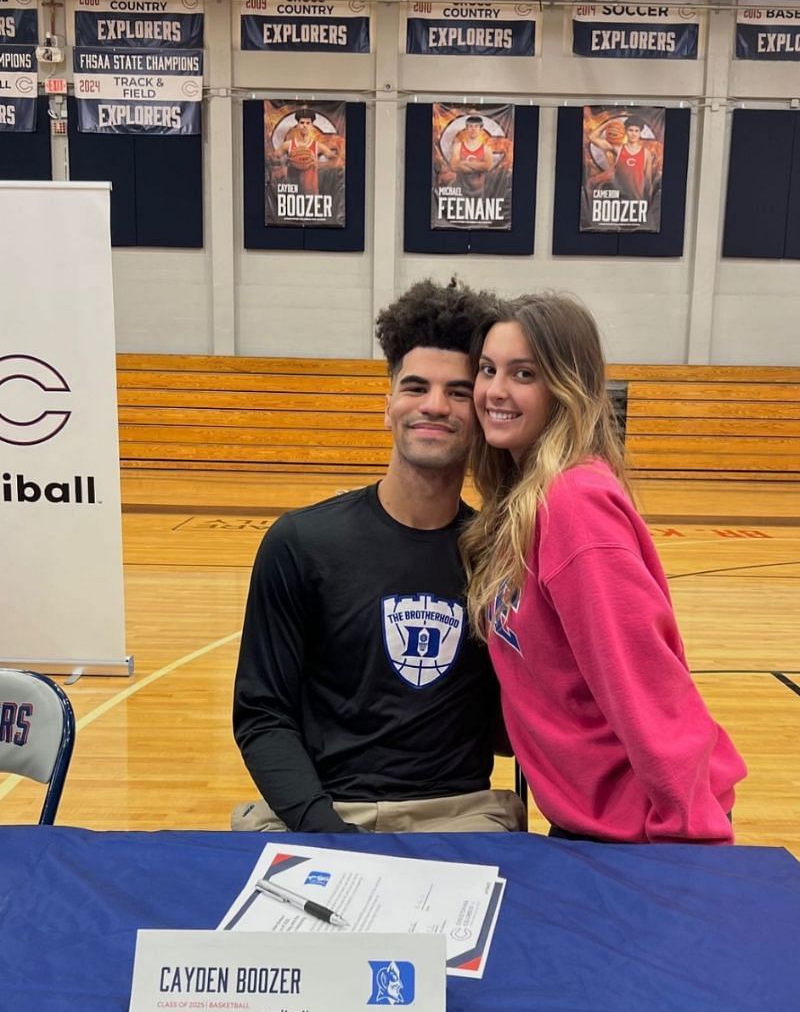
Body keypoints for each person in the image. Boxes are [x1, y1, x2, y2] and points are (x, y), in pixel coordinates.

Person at [232, 278, 526, 835]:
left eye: (459, 392)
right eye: (416, 387)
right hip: (322, 810)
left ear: (483, 415)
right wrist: (325, 832)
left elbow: (513, 727)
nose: (434, 406)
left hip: (460, 815)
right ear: (387, 404)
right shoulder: (300, 543)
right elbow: (262, 715)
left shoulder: (500, 555)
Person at [460, 292, 746, 843]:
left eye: (523, 374)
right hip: (591, 817)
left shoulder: (573, 505)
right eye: (488, 370)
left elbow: (645, 685)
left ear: (565, 387)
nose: (495, 391)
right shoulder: (522, 501)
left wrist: (691, 841)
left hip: (648, 826)